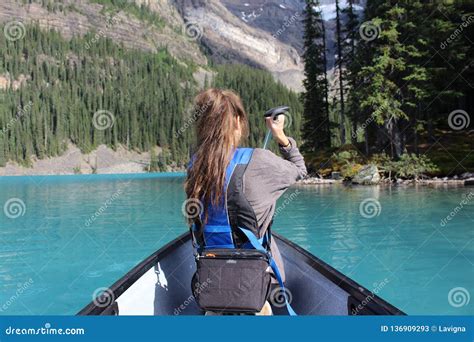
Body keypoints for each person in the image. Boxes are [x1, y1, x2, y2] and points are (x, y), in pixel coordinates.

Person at [185, 88, 307, 315]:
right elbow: (300, 170)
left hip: (211, 285)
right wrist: (280, 136)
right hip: (258, 287)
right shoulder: (259, 159)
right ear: (238, 122)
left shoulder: (195, 166)